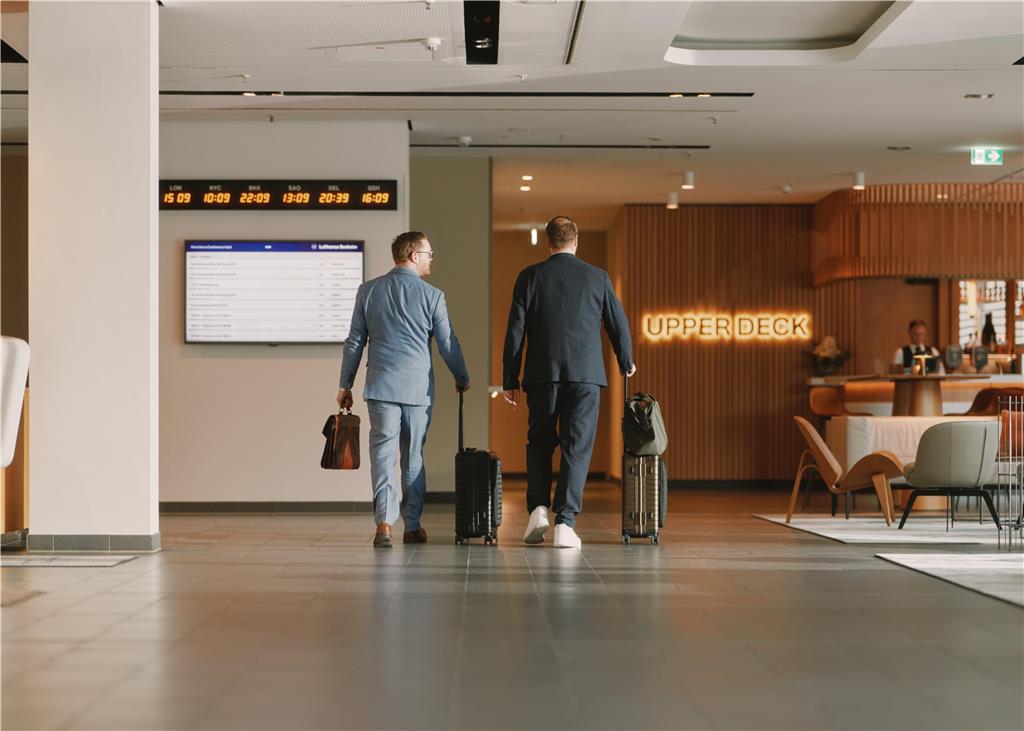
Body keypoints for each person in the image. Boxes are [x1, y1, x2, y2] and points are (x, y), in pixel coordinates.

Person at [502, 216, 635, 549]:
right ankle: (566, 522)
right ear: (577, 241)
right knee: (577, 447)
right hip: (585, 375)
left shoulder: (529, 277)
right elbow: (618, 323)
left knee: (540, 442)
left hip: (541, 374)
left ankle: (538, 510)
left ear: (548, 242)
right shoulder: (597, 277)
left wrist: (510, 378)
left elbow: (515, 332)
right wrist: (626, 359)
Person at [337, 232, 469, 548]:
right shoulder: (433, 295)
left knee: (383, 455)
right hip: (417, 391)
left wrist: (346, 383)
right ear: (412, 256)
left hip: (381, 386)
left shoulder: (368, 291)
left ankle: (384, 525)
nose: (431, 258)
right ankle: (412, 525)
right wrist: (462, 376)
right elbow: (447, 344)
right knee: (412, 457)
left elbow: (355, 341)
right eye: (428, 253)